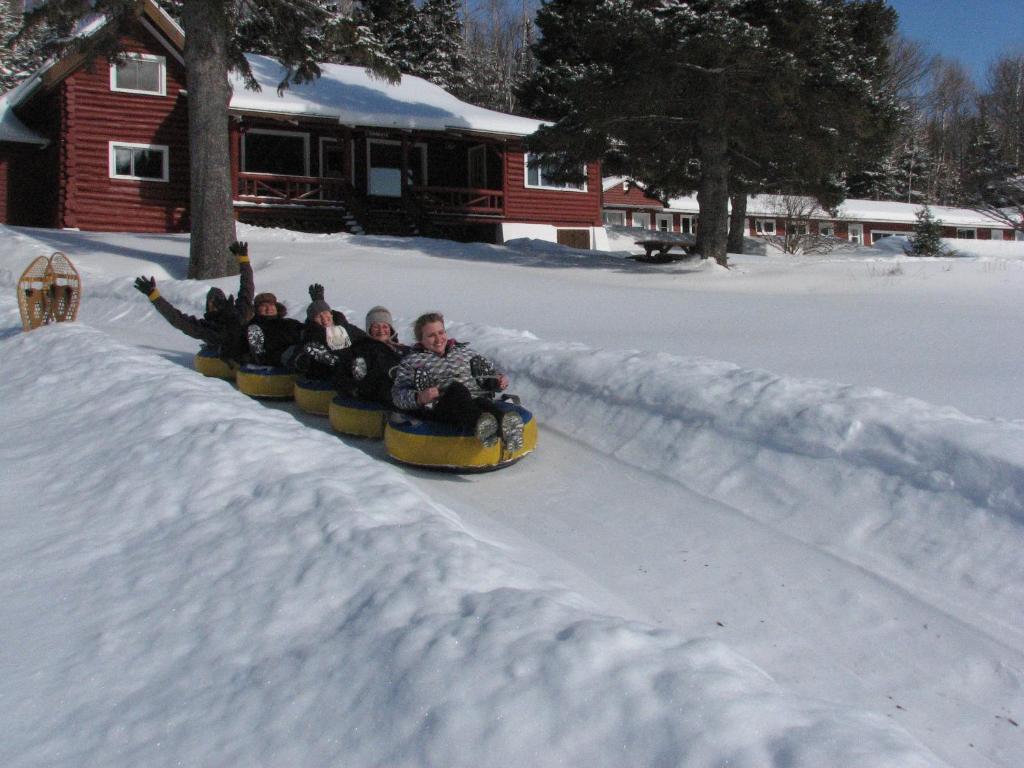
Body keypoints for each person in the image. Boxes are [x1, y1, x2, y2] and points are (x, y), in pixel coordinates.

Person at [391, 312, 523, 450]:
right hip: (441, 408)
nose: (438, 339)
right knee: (456, 389)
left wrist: (498, 380)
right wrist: (419, 397)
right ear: (421, 339)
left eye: (441, 332)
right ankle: (482, 423)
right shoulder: (411, 362)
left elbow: (488, 373)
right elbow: (397, 394)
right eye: (431, 336)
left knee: (481, 401)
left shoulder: (465, 353)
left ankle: (505, 425)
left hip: (474, 401)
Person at [134, 241, 254, 363]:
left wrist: (243, 260)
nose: (216, 305)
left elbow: (247, 286)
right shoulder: (206, 328)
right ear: (208, 307)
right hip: (235, 354)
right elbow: (176, 319)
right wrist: (154, 296)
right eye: (213, 302)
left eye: (219, 302)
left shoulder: (241, 312)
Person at [332, 305, 412, 406]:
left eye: (385, 326)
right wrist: (354, 389)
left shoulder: (402, 348)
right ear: (369, 329)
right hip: (381, 395)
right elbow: (346, 375)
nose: (381, 330)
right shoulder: (361, 350)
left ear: (390, 329)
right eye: (376, 327)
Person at [291, 284, 367, 378]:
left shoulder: (345, 327)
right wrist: (302, 359)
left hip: (351, 365)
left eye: (326, 314)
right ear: (313, 320)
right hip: (325, 373)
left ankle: (343, 363)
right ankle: (335, 361)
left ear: (331, 314)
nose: (324, 319)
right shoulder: (311, 334)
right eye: (318, 316)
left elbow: (365, 339)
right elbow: (297, 355)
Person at [244, 289, 303, 368]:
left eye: (271, 305)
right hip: (277, 359)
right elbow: (258, 353)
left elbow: (309, 331)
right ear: (256, 309)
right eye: (264, 306)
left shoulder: (289, 323)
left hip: (298, 351)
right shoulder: (254, 327)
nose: (268, 309)